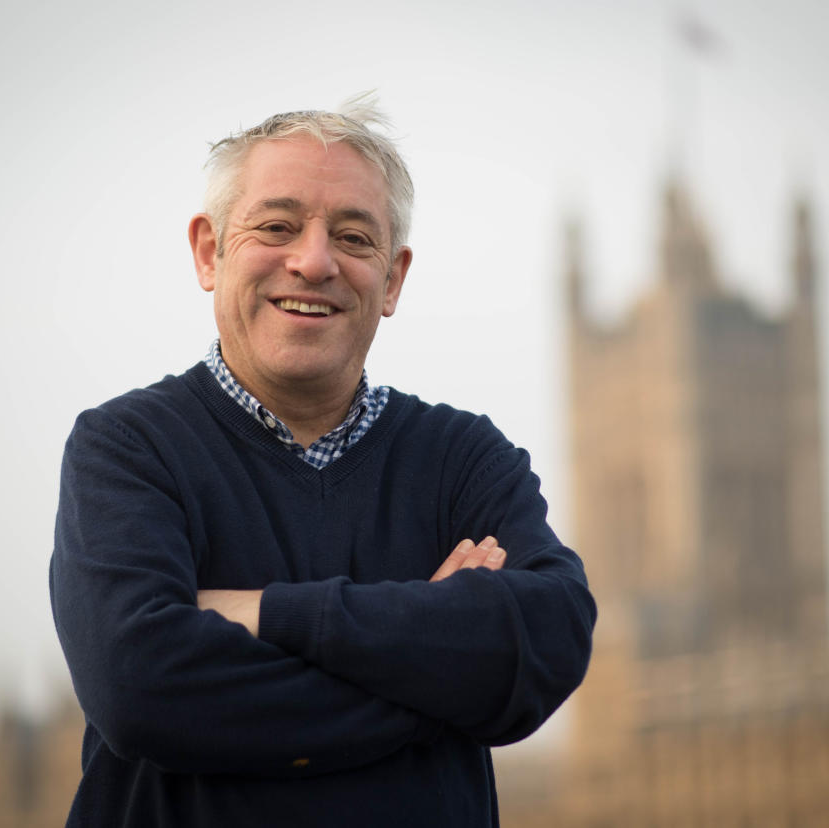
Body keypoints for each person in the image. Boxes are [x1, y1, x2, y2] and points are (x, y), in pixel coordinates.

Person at [49, 99, 596, 827]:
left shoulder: (465, 459)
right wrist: (435, 675)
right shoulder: (127, 448)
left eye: (353, 236)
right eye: (276, 227)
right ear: (209, 252)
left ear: (393, 279)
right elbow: (140, 687)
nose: (313, 261)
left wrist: (267, 612)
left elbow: (550, 639)